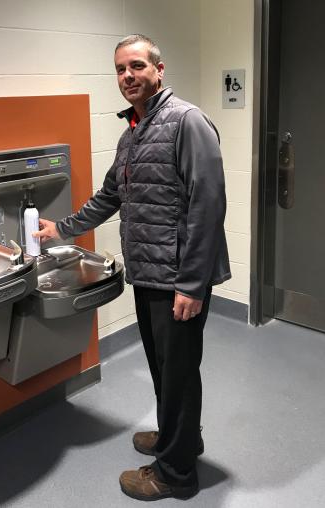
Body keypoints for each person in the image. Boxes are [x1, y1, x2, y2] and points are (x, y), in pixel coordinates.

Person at [33, 34, 231, 501]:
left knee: (178, 375)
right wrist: (60, 228)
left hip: (179, 281)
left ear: (159, 70)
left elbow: (209, 206)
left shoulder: (187, 122)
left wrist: (192, 285)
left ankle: (176, 475)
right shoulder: (133, 133)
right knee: (166, 371)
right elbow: (109, 197)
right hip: (148, 275)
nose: (128, 76)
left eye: (137, 66)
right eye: (121, 69)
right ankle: (178, 439)